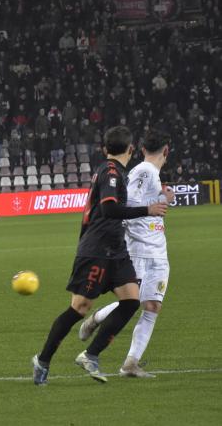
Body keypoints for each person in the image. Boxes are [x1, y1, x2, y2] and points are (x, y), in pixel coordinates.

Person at [31, 126, 168, 385]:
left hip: (115, 249)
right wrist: (147, 210)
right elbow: (109, 209)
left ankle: (91, 354)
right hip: (97, 249)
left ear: (105, 149)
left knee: (130, 301)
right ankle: (43, 360)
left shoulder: (115, 172)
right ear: (130, 149)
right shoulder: (112, 172)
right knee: (79, 308)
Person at [77, 129, 174, 378]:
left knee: (152, 305)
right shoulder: (144, 171)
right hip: (140, 249)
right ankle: (97, 318)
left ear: (142, 149)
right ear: (166, 151)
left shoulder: (151, 173)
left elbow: (145, 204)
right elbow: (125, 205)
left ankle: (131, 363)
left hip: (158, 251)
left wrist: (163, 197)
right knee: (132, 301)